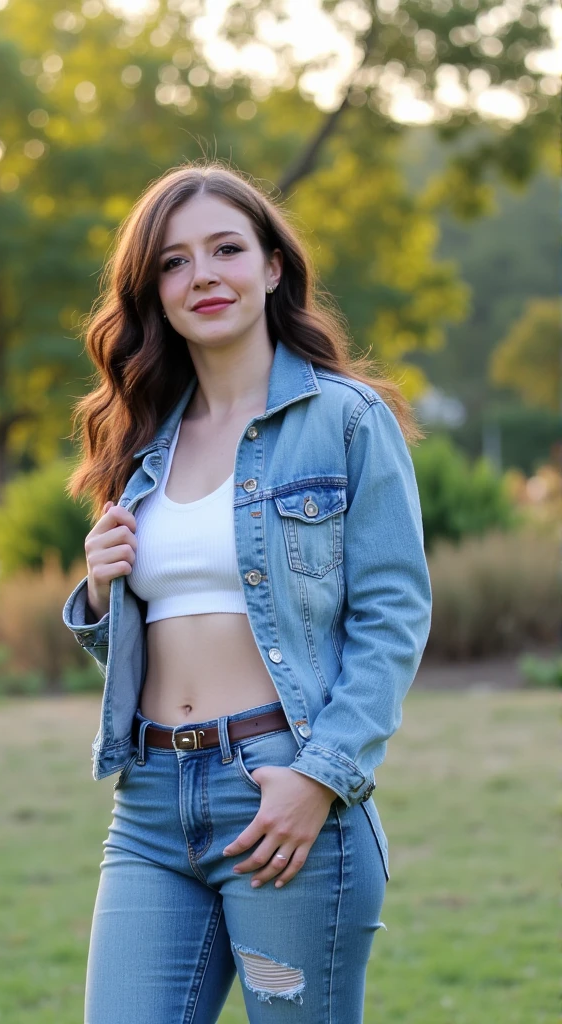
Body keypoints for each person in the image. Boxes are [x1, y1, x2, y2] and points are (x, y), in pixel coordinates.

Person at [62, 160, 432, 1023]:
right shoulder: (140, 440)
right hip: (150, 803)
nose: (204, 275)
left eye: (226, 248)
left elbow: (393, 618)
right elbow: (156, 631)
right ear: (155, 291)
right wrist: (98, 589)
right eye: (175, 261)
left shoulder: (347, 420)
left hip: (281, 788)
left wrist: (320, 777)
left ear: (272, 267)